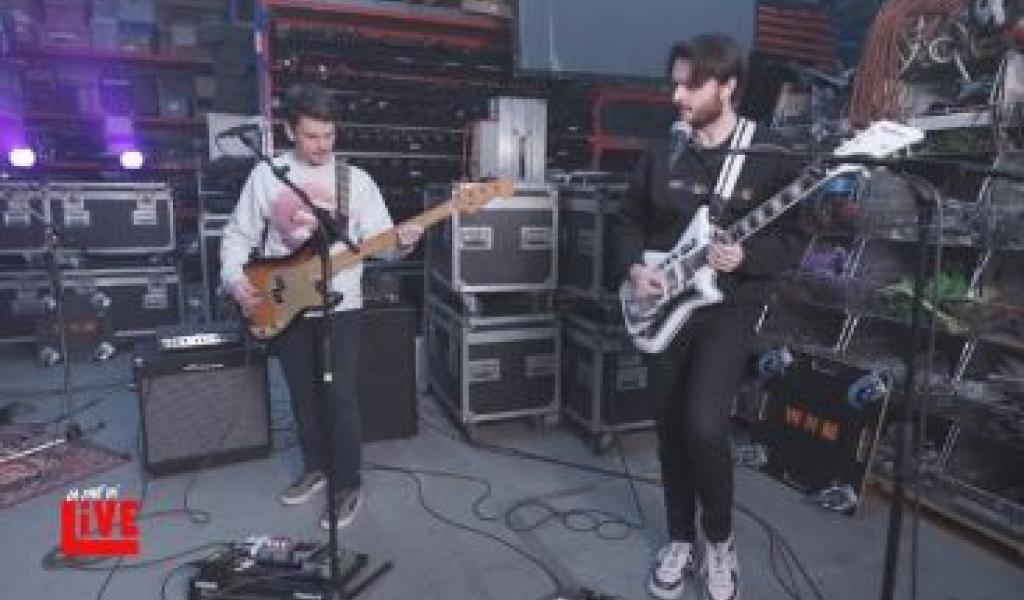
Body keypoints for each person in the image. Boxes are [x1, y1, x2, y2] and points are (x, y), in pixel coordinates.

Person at [612, 34, 807, 600]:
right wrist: (633, 270)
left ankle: (719, 542)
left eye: (691, 85)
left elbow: (794, 238)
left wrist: (747, 257)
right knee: (670, 429)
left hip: (727, 308)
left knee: (703, 426)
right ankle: (680, 540)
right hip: (660, 307)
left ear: (727, 87)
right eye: (675, 83)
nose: (677, 96)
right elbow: (627, 219)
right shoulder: (663, 152)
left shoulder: (769, 154)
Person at [221, 82, 423, 530]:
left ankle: (348, 484)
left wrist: (404, 243)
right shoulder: (267, 175)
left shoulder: (356, 181)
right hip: (283, 302)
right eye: (312, 136)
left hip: (341, 306)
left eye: (329, 135)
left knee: (341, 398)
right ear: (290, 131)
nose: (322, 145)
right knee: (302, 394)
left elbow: (383, 244)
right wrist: (235, 279)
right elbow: (238, 234)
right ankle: (315, 467)